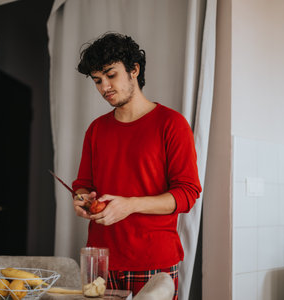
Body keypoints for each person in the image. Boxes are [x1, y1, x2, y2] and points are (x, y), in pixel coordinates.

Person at [72, 32, 202, 299]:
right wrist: (82, 199)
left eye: (111, 75)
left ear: (134, 70)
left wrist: (130, 205)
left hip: (152, 263)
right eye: (97, 80)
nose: (104, 87)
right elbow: (83, 184)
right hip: (100, 261)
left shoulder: (171, 124)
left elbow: (187, 194)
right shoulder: (96, 129)